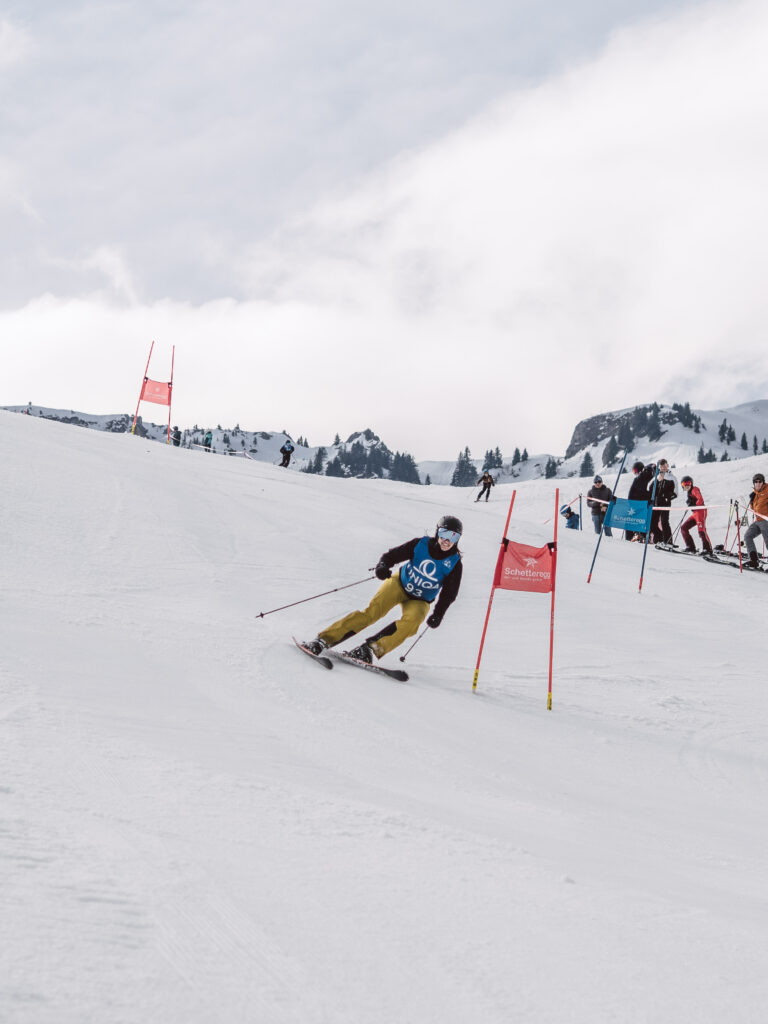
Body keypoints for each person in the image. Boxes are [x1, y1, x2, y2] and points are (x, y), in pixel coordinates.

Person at [303, 515, 464, 663]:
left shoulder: (454, 563)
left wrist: (438, 614)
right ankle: (323, 640)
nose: (447, 540)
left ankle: (369, 650)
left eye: (453, 536)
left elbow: (449, 594)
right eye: (444, 533)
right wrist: (383, 566)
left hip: (420, 600)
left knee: (412, 624)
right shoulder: (420, 545)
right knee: (372, 613)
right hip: (399, 584)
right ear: (437, 532)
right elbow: (392, 555)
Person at [679, 475, 713, 554]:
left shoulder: (694, 489)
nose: (687, 485)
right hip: (695, 513)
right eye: (684, 484)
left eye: (688, 483)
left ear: (691, 483)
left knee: (701, 531)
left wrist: (695, 505)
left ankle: (708, 549)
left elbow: (700, 499)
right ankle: (690, 547)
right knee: (684, 528)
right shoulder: (689, 492)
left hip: (700, 512)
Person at [625, 460, 656, 541]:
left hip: (639, 503)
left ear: (640, 469)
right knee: (637, 520)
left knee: (635, 520)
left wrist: (649, 467)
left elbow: (642, 490)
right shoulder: (642, 477)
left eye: (635, 471)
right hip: (638, 503)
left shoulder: (642, 477)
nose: (635, 473)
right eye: (634, 471)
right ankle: (639, 535)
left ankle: (637, 536)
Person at [744, 472, 768, 568]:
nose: (758, 483)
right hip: (758, 521)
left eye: (760, 481)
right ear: (753, 483)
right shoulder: (755, 494)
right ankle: (753, 560)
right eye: (756, 482)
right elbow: (755, 509)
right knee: (748, 536)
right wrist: (751, 500)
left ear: (763, 482)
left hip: (766, 521)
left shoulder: (767, 491)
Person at [651, 459, 677, 544]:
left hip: (665, 504)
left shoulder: (672, 478)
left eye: (665, 466)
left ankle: (668, 542)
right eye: (661, 467)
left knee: (664, 522)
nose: (663, 468)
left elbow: (675, 493)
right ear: (659, 467)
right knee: (652, 523)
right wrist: (657, 480)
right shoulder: (657, 477)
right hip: (656, 504)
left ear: (667, 466)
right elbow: (650, 489)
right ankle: (660, 539)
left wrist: (666, 496)